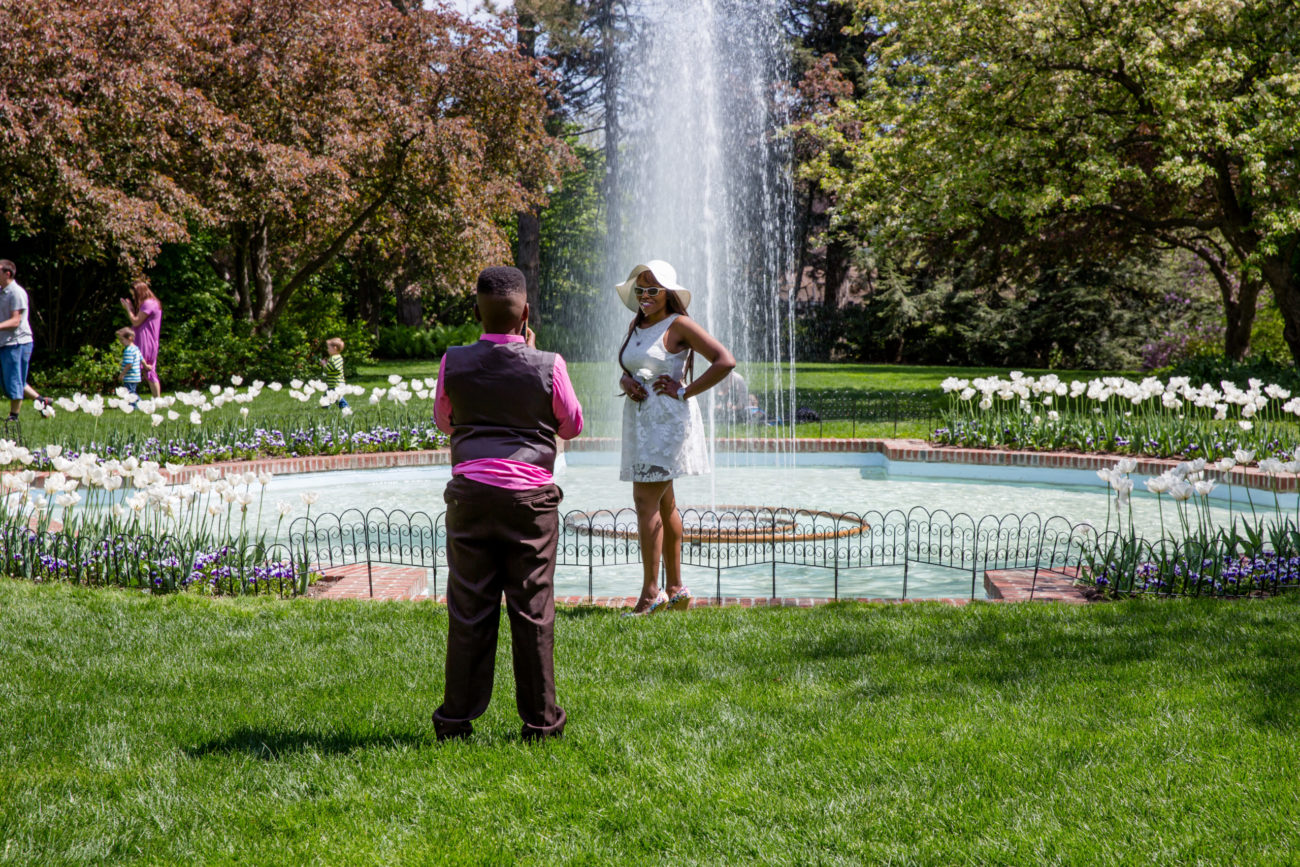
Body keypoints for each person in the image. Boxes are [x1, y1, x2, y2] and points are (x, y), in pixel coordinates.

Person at [431, 265, 583, 742]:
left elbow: (444, 421)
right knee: (532, 610)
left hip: (471, 497)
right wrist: (532, 357)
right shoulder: (549, 364)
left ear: (476, 311)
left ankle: (456, 721)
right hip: (530, 502)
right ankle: (540, 724)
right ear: (526, 314)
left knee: (469, 608)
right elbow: (572, 425)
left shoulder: (452, 361)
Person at [616, 260, 735, 615]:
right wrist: (626, 381)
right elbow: (630, 367)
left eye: (653, 290)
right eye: (640, 290)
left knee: (644, 500)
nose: (645, 296)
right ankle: (676, 589)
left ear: (668, 293)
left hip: (667, 423)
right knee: (665, 503)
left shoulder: (679, 324)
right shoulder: (638, 324)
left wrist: (686, 392)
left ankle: (651, 594)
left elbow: (724, 360)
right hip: (640, 421)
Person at [0, 259, 36, 421]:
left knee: (14, 380)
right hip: (5, 342)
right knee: (9, 380)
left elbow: (15, 321)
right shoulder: (3, 291)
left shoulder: (17, 293)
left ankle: (14, 416)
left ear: (7, 273)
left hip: (17, 343)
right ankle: (43, 401)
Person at [120, 280, 162, 398]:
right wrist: (132, 308)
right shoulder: (150, 303)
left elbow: (135, 321)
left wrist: (128, 309)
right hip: (144, 339)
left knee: (147, 369)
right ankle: (134, 397)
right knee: (143, 369)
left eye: (134, 294)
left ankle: (156, 399)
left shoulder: (148, 303)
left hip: (146, 340)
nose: (133, 297)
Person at [319, 337, 349, 409]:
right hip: (333, 383)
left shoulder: (335, 358)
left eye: (329, 348)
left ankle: (345, 407)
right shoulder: (336, 358)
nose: (327, 350)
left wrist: (324, 365)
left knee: (338, 398)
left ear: (335, 348)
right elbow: (332, 367)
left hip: (336, 383)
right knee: (327, 396)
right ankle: (325, 407)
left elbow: (333, 368)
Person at [116, 327, 143, 398]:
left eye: (122, 339)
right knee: (131, 392)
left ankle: (139, 404)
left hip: (130, 376)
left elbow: (129, 365)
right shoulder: (136, 348)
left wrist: (122, 374)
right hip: (136, 376)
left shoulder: (128, 350)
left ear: (130, 338)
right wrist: (146, 366)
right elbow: (141, 358)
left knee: (130, 393)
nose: (121, 342)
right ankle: (134, 404)